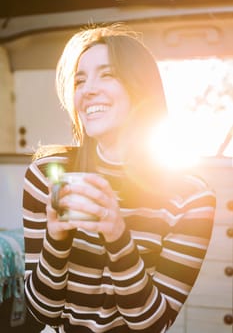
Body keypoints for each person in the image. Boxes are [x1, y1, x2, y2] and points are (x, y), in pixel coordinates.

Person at [23, 23, 216, 333]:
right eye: (80, 80)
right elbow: (42, 311)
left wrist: (117, 235)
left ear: (141, 88)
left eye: (107, 74)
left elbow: (153, 324)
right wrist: (55, 239)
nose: (87, 90)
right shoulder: (47, 175)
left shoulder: (191, 199)